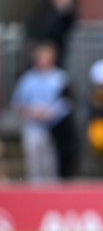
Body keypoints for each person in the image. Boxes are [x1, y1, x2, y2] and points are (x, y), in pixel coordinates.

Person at [10, 41, 79, 181]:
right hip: (33, 126)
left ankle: (52, 194)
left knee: (52, 162)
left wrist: (52, 112)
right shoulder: (28, 79)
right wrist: (32, 111)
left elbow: (68, 101)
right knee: (35, 161)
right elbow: (16, 104)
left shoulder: (60, 78)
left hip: (56, 127)